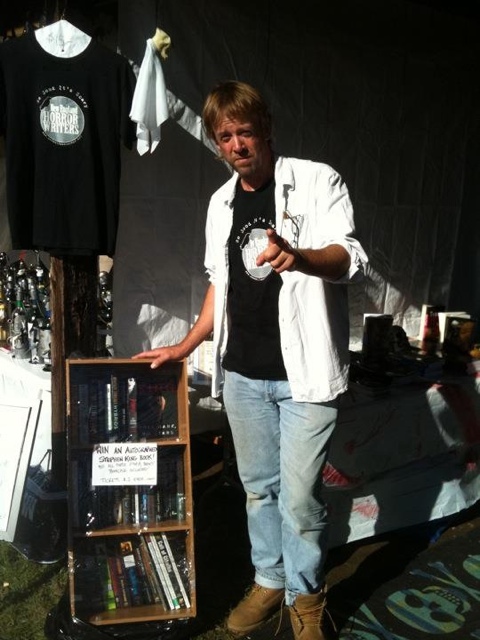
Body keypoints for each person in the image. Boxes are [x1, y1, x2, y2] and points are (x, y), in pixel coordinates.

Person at [133, 80, 368, 640]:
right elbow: (221, 284)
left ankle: (306, 598)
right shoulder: (221, 203)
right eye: (225, 136)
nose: (237, 145)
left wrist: (300, 257)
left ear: (266, 129)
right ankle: (268, 580)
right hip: (241, 374)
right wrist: (184, 346)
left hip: (305, 375)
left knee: (300, 499)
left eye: (245, 132)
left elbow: (350, 258)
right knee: (259, 490)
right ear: (217, 143)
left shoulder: (317, 180)